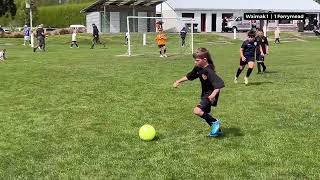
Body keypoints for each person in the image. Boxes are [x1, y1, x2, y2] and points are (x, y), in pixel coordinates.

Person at [173, 48, 225, 137]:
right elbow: (190, 75)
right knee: (204, 113)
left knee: (197, 111)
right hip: (205, 93)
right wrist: (178, 81)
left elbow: (219, 84)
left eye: (197, 60)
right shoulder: (199, 67)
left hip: (210, 94)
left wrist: (212, 96)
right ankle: (218, 131)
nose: (195, 62)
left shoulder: (209, 70)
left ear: (204, 60)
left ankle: (215, 122)